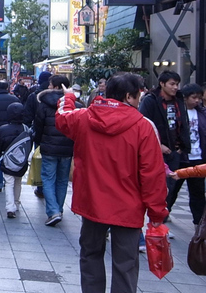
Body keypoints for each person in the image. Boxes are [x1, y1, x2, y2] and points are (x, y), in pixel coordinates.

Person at [56, 73, 168, 293]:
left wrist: (68, 97)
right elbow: (152, 175)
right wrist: (156, 214)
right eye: (138, 95)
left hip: (92, 203)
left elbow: (62, 117)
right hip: (129, 206)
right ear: (129, 96)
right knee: (126, 263)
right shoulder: (143, 126)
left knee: (90, 255)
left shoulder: (85, 117)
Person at [139, 70, 190, 201]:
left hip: (175, 150)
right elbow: (144, 124)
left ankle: (163, 213)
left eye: (177, 84)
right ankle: (156, 214)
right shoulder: (150, 100)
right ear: (162, 83)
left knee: (171, 186)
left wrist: (182, 147)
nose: (175, 87)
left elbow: (184, 123)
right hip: (156, 149)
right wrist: (158, 145)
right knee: (157, 185)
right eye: (172, 84)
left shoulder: (179, 100)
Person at [34, 74, 76, 226]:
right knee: (62, 179)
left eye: (51, 84)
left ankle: (53, 212)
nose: (49, 87)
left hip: (49, 146)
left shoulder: (44, 104)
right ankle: (58, 209)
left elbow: (38, 126)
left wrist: (38, 142)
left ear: (57, 86)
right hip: (67, 147)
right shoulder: (75, 104)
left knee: (48, 178)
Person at [166, 83, 206, 224]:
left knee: (198, 193)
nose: (197, 101)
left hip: (198, 157)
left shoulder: (202, 113)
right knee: (172, 190)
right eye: (194, 97)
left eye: (199, 98)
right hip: (181, 157)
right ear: (185, 97)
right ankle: (164, 216)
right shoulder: (177, 111)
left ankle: (198, 223)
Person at [0, 102, 29, 219]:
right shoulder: (26, 129)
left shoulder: (1, 130)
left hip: (8, 161)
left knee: (8, 183)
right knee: (18, 181)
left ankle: (10, 207)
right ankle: (16, 203)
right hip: (21, 162)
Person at [0, 81, 20, 193]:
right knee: (11, 157)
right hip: (12, 132)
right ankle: (9, 181)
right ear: (7, 87)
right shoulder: (14, 99)